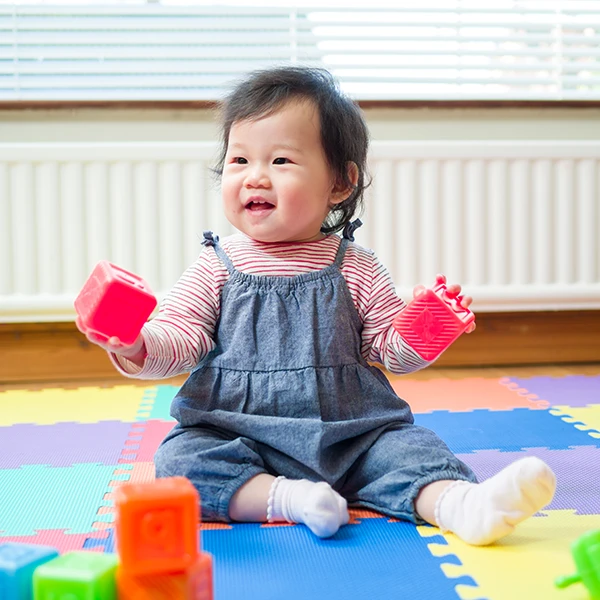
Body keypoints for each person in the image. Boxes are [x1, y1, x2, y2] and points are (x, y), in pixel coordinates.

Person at [78, 66, 556, 545]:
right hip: (236, 432)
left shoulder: (357, 265)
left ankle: (460, 505)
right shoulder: (215, 265)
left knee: (409, 450)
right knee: (179, 462)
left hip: (353, 432)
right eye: (239, 159)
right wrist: (136, 342)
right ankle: (289, 498)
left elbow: (390, 351)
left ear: (340, 184)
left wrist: (424, 326)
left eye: (281, 160)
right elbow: (180, 338)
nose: (255, 178)